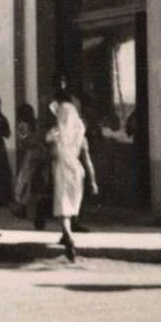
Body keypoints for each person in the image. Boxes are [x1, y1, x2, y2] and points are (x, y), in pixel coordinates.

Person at [47, 93, 98, 261]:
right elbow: (87, 158)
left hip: (62, 168)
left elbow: (51, 152)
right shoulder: (80, 133)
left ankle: (68, 236)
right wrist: (92, 180)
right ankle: (65, 235)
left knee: (63, 209)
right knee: (71, 205)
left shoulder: (56, 134)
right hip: (77, 170)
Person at [12, 102, 39, 218]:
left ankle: (23, 207)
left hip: (31, 154)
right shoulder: (36, 123)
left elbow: (24, 142)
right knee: (29, 181)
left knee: (24, 181)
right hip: (37, 153)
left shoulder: (22, 125)